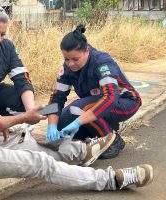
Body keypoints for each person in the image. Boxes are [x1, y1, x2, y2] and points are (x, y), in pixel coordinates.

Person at [0, 30, 153, 192]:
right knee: (39, 162)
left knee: (23, 135)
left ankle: (79, 150)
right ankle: (113, 179)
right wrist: (27, 116)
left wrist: (14, 125)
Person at [46, 24, 142, 159]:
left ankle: (111, 139)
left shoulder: (102, 63)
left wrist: (78, 122)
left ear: (87, 51)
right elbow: (57, 98)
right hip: (95, 104)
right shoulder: (67, 68)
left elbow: (110, 98)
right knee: (62, 122)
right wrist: (51, 126)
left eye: (75, 59)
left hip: (125, 103)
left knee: (77, 109)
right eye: (66, 59)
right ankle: (98, 135)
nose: (70, 64)